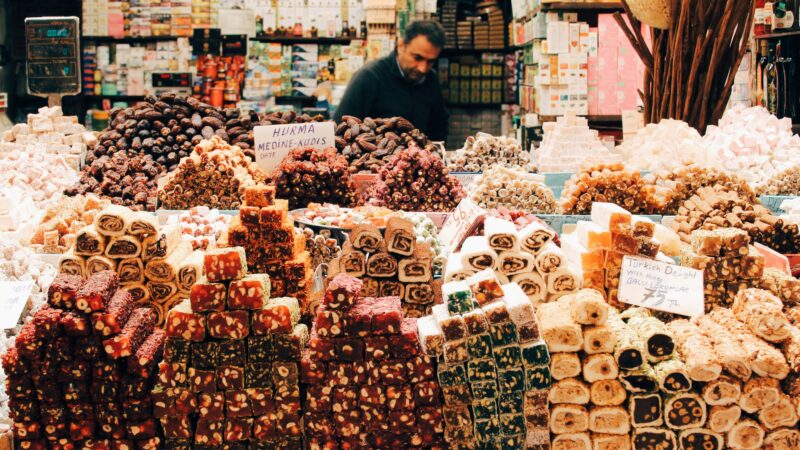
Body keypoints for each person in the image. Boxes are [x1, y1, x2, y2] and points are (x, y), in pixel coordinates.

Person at [333, 20, 449, 142]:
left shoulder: (430, 79)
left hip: (420, 157)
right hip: (375, 159)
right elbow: (340, 128)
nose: (423, 68)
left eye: (430, 61)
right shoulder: (369, 76)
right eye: (417, 58)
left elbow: (440, 125)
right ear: (400, 46)